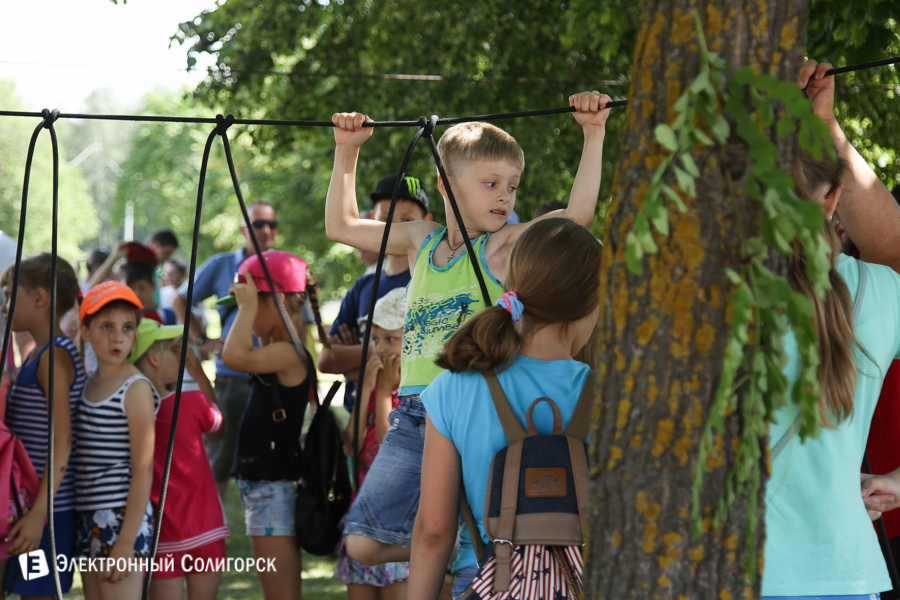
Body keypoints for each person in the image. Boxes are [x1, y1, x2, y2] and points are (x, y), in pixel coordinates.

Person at [326, 91, 611, 565]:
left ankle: (465, 544)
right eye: (491, 183)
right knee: (362, 541)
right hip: (416, 409)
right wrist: (347, 149)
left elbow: (576, 218)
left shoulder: (501, 247)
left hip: (475, 408)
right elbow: (342, 225)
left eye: (513, 186)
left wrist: (593, 132)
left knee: (485, 534)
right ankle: (456, 540)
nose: (505, 196)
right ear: (447, 185)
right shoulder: (421, 238)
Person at [759, 59, 900, 599]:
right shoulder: (878, 294)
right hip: (845, 572)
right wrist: (827, 130)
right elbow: (893, 248)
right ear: (833, 199)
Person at [407, 218, 600, 599]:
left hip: (490, 581)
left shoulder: (453, 387)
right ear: (591, 304)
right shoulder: (616, 398)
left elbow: (433, 532)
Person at [220, 250, 313, 600]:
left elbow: (234, 356)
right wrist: (250, 307)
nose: (240, 312)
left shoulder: (290, 353)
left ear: (274, 302)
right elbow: (246, 350)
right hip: (264, 486)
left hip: (273, 488)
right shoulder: (276, 348)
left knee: (280, 593)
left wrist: (246, 311)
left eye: (247, 302)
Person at [173, 200, 279, 500]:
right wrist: (201, 339)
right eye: (259, 224)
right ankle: (211, 523)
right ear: (244, 229)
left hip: (273, 377)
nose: (267, 230)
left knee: (269, 457)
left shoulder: (283, 266)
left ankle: (265, 524)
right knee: (219, 458)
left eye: (272, 224)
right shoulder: (222, 264)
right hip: (232, 377)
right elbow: (180, 301)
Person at [0, 254, 85, 598]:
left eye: (9, 295)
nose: (4, 307)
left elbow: (62, 441)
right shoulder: (37, 355)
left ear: (39, 298)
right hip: (26, 507)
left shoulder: (54, 357)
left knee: (39, 594)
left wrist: (39, 514)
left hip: (48, 513)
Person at [130, 319, 227, 600]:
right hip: (206, 529)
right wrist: (200, 377)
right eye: (174, 350)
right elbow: (218, 431)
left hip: (163, 536)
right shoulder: (194, 402)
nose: (181, 356)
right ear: (154, 359)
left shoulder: (132, 413)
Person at [73, 282, 158, 600]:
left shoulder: (135, 388)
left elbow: (143, 470)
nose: (117, 336)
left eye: (127, 327)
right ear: (85, 331)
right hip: (87, 515)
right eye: (106, 326)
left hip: (122, 517)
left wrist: (125, 542)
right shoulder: (84, 384)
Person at [319, 173, 432, 412]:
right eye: (386, 218)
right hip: (359, 424)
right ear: (371, 220)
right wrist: (385, 348)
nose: (397, 227)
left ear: (427, 221)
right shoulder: (362, 287)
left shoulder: (429, 283)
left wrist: (355, 360)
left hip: (412, 419)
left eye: (408, 220)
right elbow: (326, 360)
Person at [334, 287, 409, 599]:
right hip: (362, 514)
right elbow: (352, 448)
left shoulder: (412, 393)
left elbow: (386, 454)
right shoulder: (372, 382)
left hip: (395, 526)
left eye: (390, 339)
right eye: (374, 339)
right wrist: (365, 390)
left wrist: (381, 395)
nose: (379, 349)